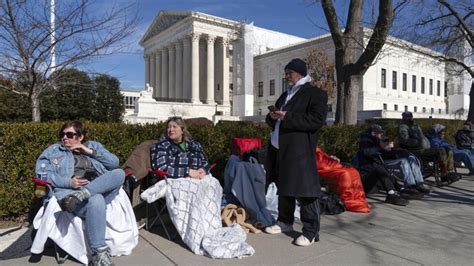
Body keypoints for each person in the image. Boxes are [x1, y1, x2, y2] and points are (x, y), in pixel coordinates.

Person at [36, 120, 125, 266]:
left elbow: (114, 163)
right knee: (96, 200)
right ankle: (99, 254)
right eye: (62, 134)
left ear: (81, 136)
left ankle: (83, 193)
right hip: (69, 196)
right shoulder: (53, 151)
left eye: (70, 134)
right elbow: (41, 174)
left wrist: (88, 151)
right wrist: (68, 182)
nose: (65, 137)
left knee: (119, 173)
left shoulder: (93, 146)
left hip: (96, 189)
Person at [264, 58, 328, 247]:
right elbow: (274, 120)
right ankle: (284, 221)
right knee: (284, 187)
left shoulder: (315, 94)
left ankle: (311, 231)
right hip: (279, 149)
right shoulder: (285, 95)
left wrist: (288, 117)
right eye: (286, 73)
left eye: (289, 73)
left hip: (299, 150)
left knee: (305, 190)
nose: (286, 76)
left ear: (299, 73)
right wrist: (272, 116)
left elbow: (316, 120)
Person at [397, 111, 458, 183]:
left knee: (445, 149)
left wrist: (424, 141)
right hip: (415, 150)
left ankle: (446, 172)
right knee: (440, 150)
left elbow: (420, 136)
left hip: (422, 148)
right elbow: (405, 140)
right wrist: (419, 142)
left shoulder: (414, 125)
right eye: (407, 116)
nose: (410, 118)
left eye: (410, 116)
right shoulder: (403, 127)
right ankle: (444, 174)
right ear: (404, 117)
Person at [358, 125, 410, 205]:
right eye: (380, 134)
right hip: (365, 178)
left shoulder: (375, 142)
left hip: (373, 181)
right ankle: (391, 195)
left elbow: (384, 155)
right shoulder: (365, 142)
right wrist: (381, 147)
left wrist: (392, 150)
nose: (381, 136)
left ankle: (398, 190)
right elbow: (367, 152)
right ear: (373, 133)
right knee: (380, 169)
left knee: (385, 169)